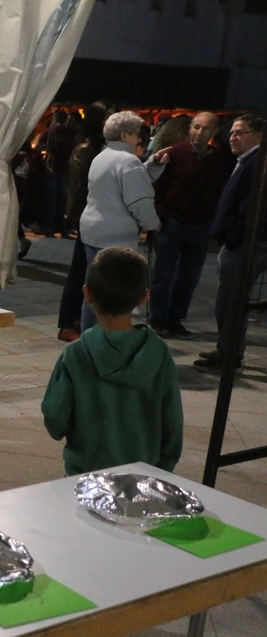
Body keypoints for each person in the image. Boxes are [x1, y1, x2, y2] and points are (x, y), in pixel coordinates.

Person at [42, 246, 182, 475]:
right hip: (143, 474)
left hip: (84, 475)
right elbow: (172, 420)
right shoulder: (158, 353)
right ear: (144, 298)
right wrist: (164, 468)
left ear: (87, 293)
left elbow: (55, 418)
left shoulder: (76, 354)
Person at [144, 112, 230, 339]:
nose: (199, 132)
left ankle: (175, 320)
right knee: (163, 275)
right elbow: (157, 187)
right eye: (196, 127)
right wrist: (161, 215)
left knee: (189, 277)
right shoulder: (175, 153)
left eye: (205, 128)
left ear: (214, 132)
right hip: (173, 222)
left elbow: (217, 190)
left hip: (201, 225)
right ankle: (158, 320)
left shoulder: (216, 156)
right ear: (190, 128)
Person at [77, 111, 159, 332]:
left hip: (92, 230)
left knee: (94, 289)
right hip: (115, 235)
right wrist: (152, 223)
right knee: (113, 294)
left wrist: (153, 164)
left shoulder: (102, 157)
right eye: (136, 134)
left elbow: (131, 181)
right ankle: (108, 337)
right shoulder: (128, 161)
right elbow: (138, 200)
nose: (139, 139)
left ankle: (88, 335)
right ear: (124, 135)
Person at [194, 114, 264, 373]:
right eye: (231, 133)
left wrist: (233, 237)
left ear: (258, 136)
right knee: (229, 301)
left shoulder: (256, 163)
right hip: (240, 242)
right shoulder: (246, 160)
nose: (232, 137)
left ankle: (228, 355)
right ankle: (227, 349)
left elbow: (252, 208)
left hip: (244, 245)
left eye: (240, 132)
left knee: (231, 302)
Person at [56, 102, 108, 342]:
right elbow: (77, 187)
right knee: (79, 272)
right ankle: (67, 322)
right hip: (87, 215)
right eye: (107, 116)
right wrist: (76, 217)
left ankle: (74, 318)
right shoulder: (85, 149)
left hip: (94, 215)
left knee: (84, 269)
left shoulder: (99, 148)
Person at [38, 109, 74, 237]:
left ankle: (49, 228)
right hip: (66, 169)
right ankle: (63, 228)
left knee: (51, 201)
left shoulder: (48, 132)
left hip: (51, 168)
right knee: (63, 202)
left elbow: (38, 147)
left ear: (55, 118)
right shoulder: (71, 132)